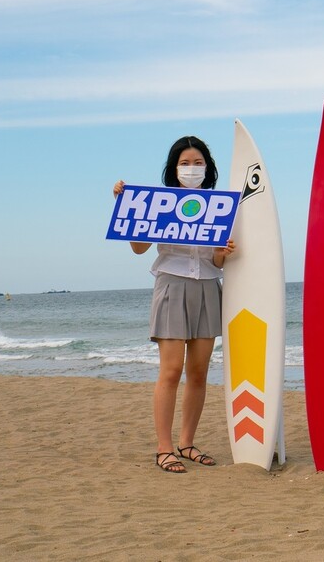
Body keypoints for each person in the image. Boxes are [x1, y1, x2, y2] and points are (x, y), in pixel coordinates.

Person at [113, 136, 236, 474]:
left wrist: (223, 253)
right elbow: (139, 248)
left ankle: (187, 443)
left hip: (208, 287)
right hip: (172, 285)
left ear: (208, 168)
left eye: (198, 163)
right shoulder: (160, 203)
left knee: (199, 372)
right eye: (185, 163)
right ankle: (163, 448)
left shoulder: (220, 206)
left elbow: (217, 261)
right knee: (170, 371)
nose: (192, 169)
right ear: (174, 168)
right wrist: (126, 205)